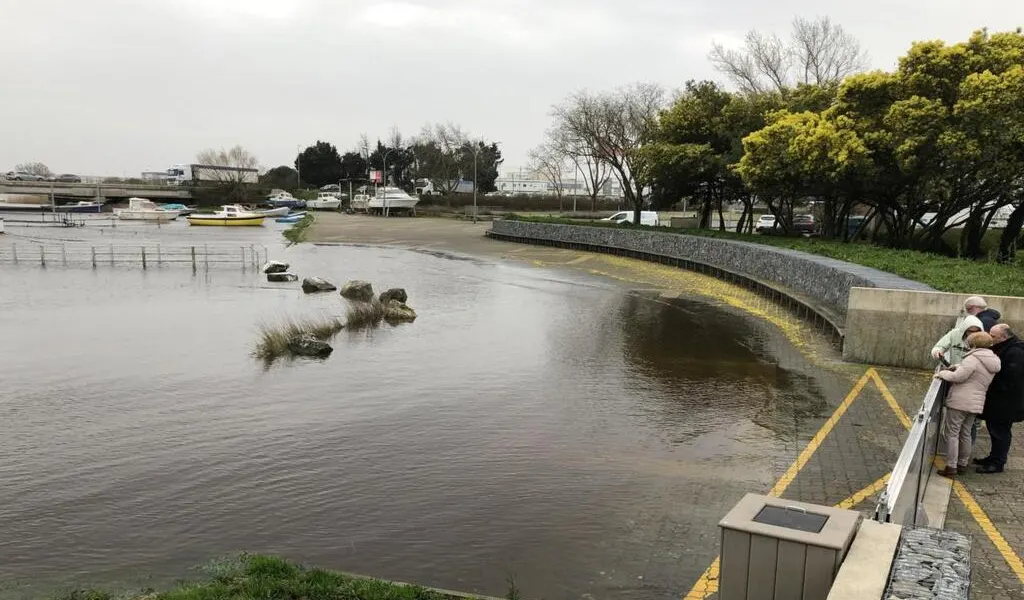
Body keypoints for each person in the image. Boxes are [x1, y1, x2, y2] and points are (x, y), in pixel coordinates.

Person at [934, 331, 1001, 478]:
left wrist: (943, 374)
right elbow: (974, 372)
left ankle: (951, 467)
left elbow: (958, 377)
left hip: (960, 401)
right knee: (966, 433)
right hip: (976, 402)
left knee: (952, 433)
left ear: (974, 344)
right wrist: (958, 366)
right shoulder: (993, 359)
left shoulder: (972, 359)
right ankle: (962, 464)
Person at [976, 324, 1024, 474]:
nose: (990, 338)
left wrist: (992, 385)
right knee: (995, 430)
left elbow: (1011, 378)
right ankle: (994, 457)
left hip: (1006, 402)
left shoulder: (1014, 352)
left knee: (1000, 431)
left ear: (1004, 337)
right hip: (1001, 401)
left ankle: (997, 462)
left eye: (993, 336)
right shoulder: (1006, 348)